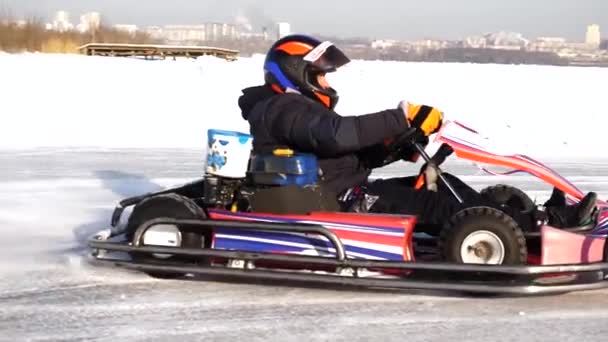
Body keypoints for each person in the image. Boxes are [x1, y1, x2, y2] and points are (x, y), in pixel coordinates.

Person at [237, 34, 597, 231]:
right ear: (294, 72)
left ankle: (522, 216)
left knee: (448, 186)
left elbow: (342, 155)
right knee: (436, 204)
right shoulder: (282, 109)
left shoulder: (295, 111)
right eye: (320, 75)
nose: (326, 83)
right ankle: (543, 225)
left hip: (345, 190)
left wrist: (394, 147)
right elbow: (338, 135)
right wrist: (400, 118)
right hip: (336, 201)